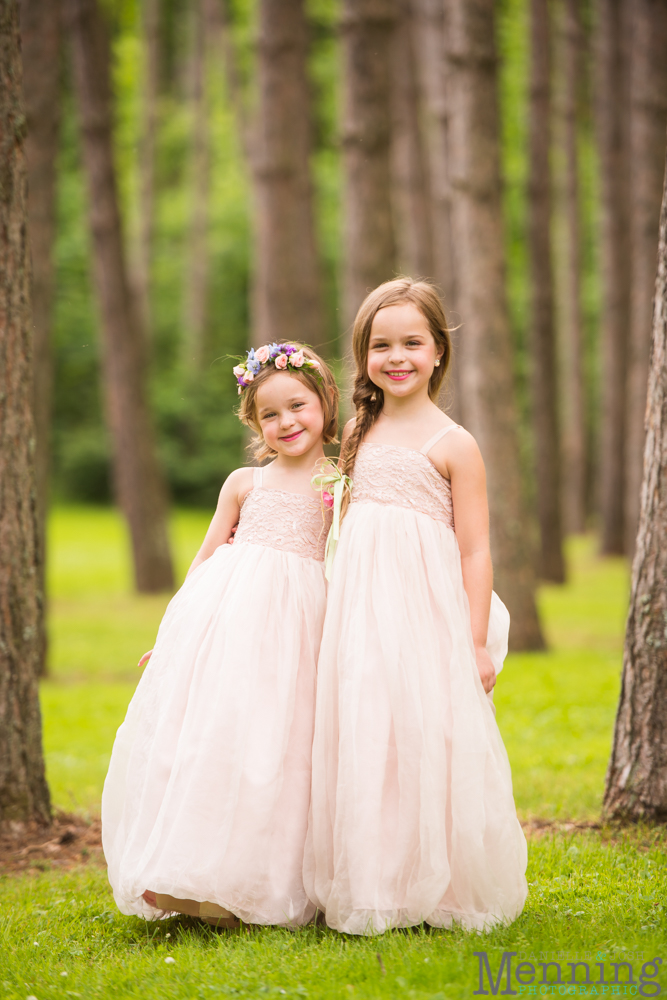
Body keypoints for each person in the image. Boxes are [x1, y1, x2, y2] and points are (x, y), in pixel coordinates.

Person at [304, 279, 528, 934]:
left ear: (437, 352)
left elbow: (474, 552)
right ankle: (374, 879)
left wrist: (475, 640)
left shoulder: (454, 443)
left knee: (425, 734)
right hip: (360, 609)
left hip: (425, 612)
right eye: (380, 345)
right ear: (362, 354)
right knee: (367, 728)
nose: (395, 356)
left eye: (411, 342)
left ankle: (441, 884)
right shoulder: (358, 430)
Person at [102, 343, 338, 928]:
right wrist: (174, 635)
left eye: (298, 406)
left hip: (301, 632)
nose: (287, 423)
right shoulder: (244, 483)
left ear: (326, 403)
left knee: (281, 750)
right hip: (230, 631)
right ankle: (192, 874)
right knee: (217, 742)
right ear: (254, 424)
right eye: (270, 415)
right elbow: (205, 562)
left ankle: (260, 884)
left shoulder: (341, 482)